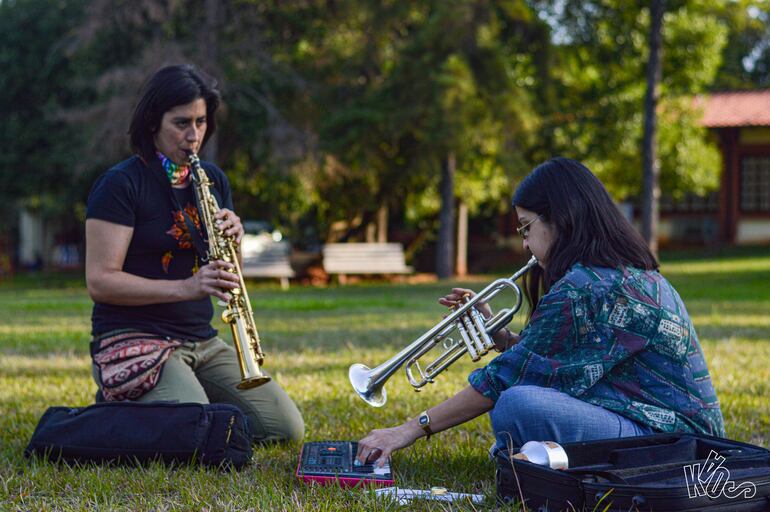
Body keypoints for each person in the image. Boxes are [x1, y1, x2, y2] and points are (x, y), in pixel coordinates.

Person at [356, 157, 724, 466]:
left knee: (516, 404)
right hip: (681, 438)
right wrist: (505, 340)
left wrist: (405, 430)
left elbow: (502, 382)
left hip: (676, 448)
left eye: (527, 227)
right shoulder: (621, 274)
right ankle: (535, 456)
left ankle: (531, 455)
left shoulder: (589, 287)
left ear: (561, 219)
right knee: (522, 399)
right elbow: (566, 362)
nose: (525, 242)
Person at [85, 64, 304, 443]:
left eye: (201, 122)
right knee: (197, 433)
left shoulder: (213, 179)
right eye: (181, 123)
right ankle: (119, 395)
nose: (193, 136)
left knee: (284, 430)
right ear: (153, 122)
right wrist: (186, 288)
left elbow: (227, 274)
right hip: (134, 337)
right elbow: (101, 282)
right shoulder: (120, 184)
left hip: (200, 339)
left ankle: (158, 399)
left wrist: (234, 242)